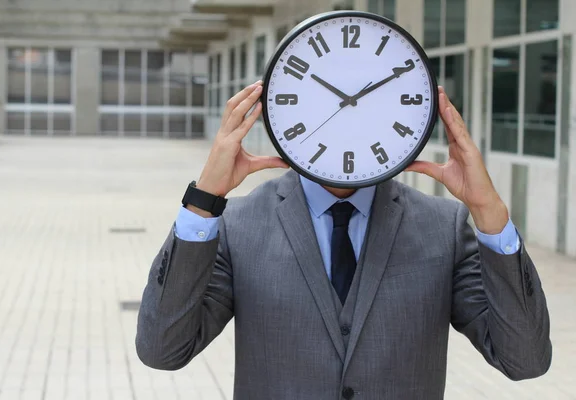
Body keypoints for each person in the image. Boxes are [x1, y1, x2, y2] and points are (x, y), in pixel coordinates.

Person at [135, 82, 551, 399]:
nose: (346, 118)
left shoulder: (444, 226)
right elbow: (162, 349)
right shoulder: (239, 225)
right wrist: (204, 201)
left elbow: (524, 360)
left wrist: (490, 215)